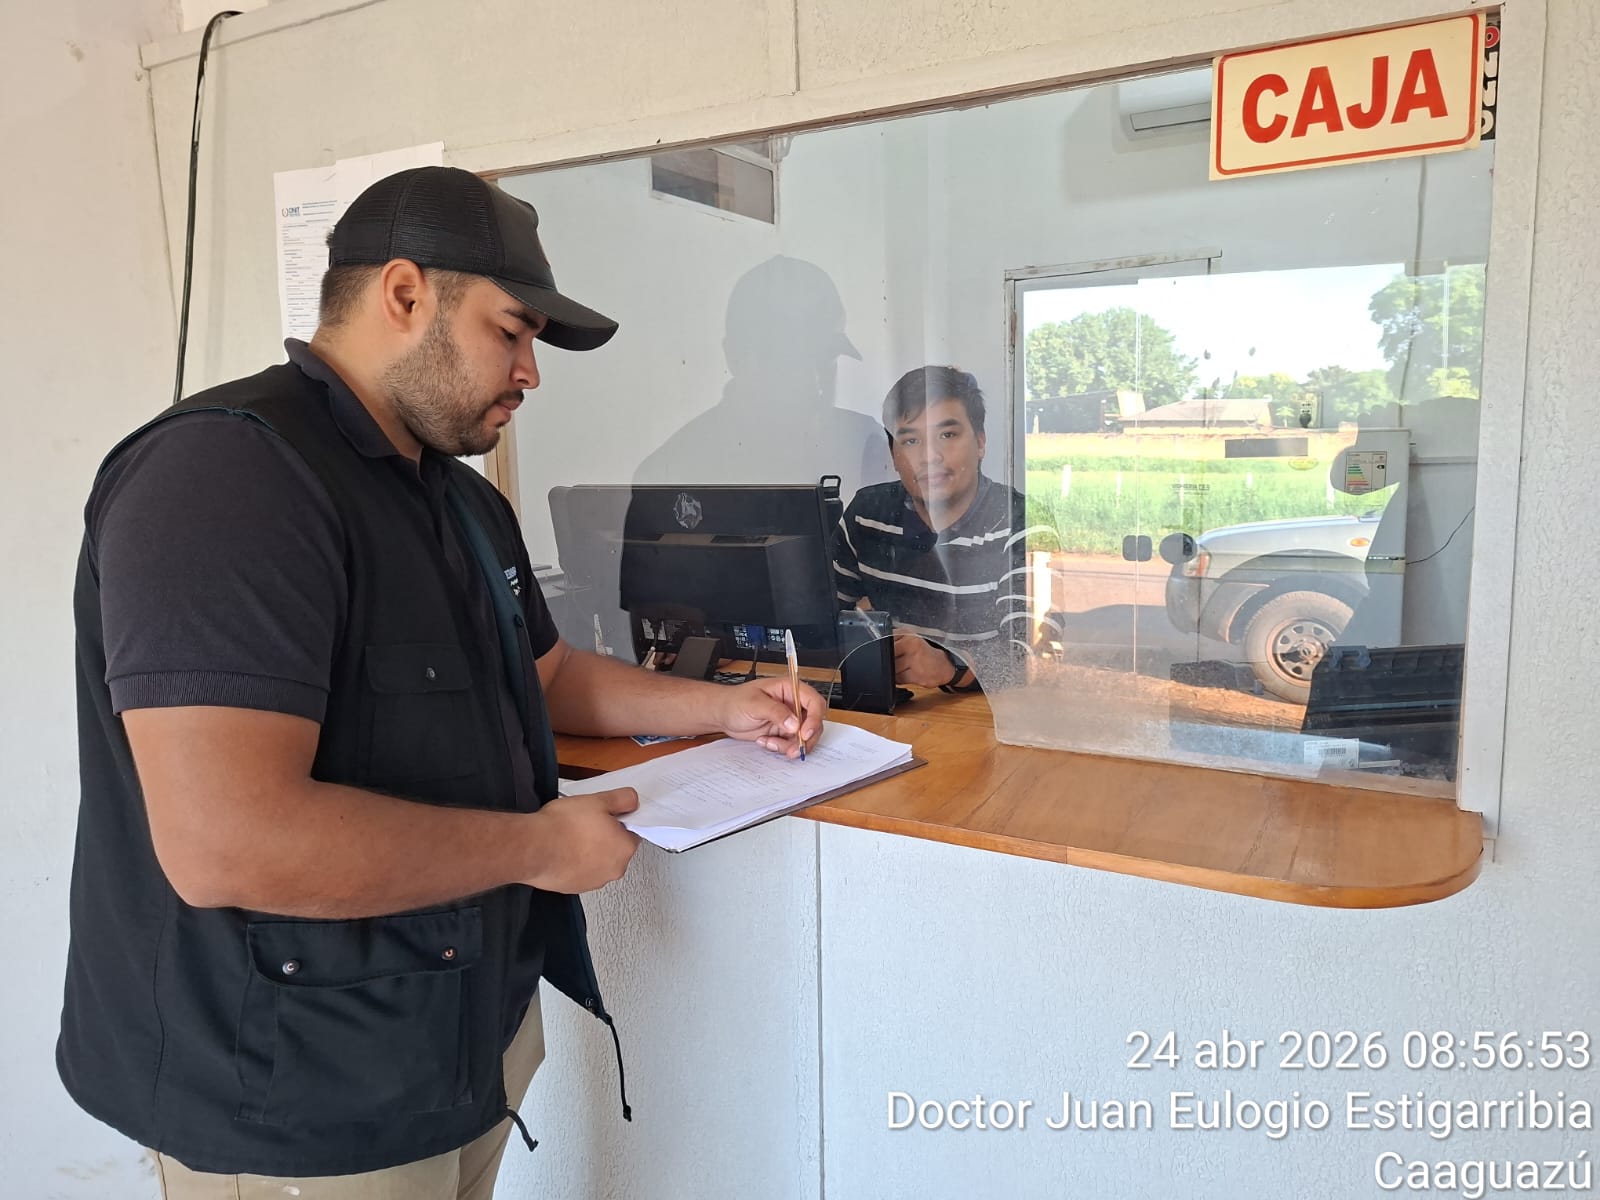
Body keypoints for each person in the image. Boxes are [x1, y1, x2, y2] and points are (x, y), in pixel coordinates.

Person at [57, 166, 824, 1198]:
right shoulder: (225, 480)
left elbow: (541, 677)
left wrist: (724, 706)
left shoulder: (461, 501)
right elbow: (224, 842)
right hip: (296, 1093)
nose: (530, 373)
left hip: (462, 1052)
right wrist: (541, 846)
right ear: (405, 294)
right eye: (510, 332)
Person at [832, 365, 1032, 691]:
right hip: (890, 718)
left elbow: (1032, 655)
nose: (929, 456)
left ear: (980, 442)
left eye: (947, 435)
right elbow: (825, 624)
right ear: (894, 455)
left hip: (982, 719)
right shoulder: (867, 515)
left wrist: (949, 665)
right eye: (910, 440)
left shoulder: (1017, 522)